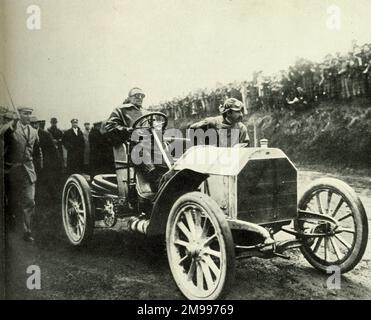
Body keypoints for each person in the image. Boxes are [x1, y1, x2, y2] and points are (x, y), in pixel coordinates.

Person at [105, 87, 167, 205]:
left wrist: (159, 129)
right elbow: (110, 127)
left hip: (150, 145)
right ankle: (158, 185)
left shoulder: (147, 112)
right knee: (143, 152)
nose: (140, 98)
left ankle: (169, 178)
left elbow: (154, 129)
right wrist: (128, 130)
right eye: (136, 95)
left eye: (142, 96)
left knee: (168, 153)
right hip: (132, 146)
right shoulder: (120, 110)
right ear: (129, 97)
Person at [1, 107, 40, 242]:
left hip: (28, 170)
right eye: (25, 113)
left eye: (30, 114)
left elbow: (36, 151)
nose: (28, 116)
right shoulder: (11, 129)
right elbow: (2, 134)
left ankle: (27, 231)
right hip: (12, 169)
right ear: (19, 115)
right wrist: (11, 124)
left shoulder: (34, 132)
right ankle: (10, 228)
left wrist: (37, 167)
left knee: (29, 200)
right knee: (11, 201)